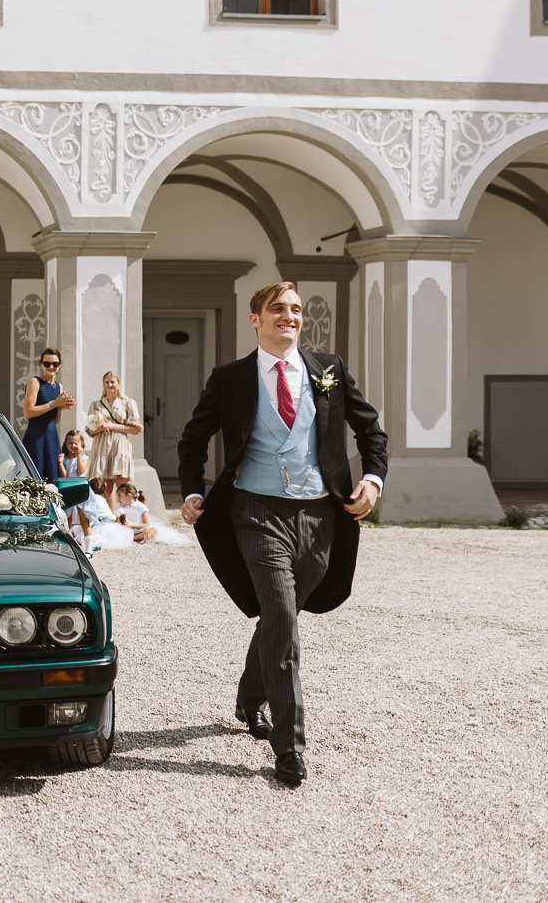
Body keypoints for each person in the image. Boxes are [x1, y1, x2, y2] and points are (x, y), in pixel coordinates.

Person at [178, 282, 386, 788]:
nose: (289, 317)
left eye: (294, 310)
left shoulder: (328, 369)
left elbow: (370, 429)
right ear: (256, 319)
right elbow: (194, 436)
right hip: (254, 508)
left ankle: (250, 696)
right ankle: (289, 747)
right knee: (281, 618)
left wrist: (373, 478)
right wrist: (191, 491)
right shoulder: (230, 378)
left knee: (284, 614)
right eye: (278, 310)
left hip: (319, 512)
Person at [84, 370, 141, 496]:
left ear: (118, 383)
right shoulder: (96, 405)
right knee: (104, 486)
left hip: (119, 445)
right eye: (107, 382)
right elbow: (90, 430)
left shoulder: (128, 403)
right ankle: (109, 515)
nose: (110, 385)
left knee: (123, 485)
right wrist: (102, 426)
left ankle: (125, 514)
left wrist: (113, 426)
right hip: (101, 446)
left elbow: (136, 428)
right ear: (103, 384)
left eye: (112, 382)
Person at [21, 348, 73, 481]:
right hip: (36, 435)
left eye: (54, 364)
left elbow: (55, 420)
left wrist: (61, 407)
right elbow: (28, 412)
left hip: (51, 436)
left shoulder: (58, 386)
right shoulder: (35, 382)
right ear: (41, 364)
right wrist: (54, 403)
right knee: (35, 476)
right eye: (47, 364)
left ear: (59, 365)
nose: (51, 367)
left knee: (52, 476)